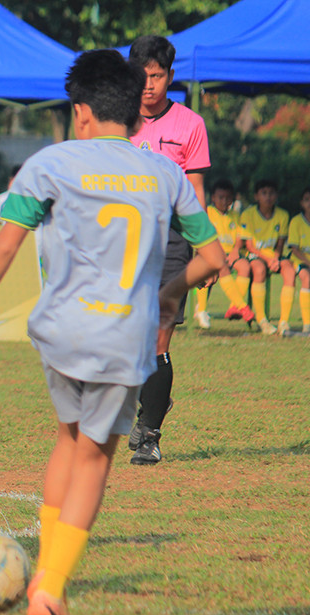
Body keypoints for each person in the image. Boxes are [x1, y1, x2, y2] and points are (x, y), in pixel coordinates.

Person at [0, 49, 226, 615]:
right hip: (121, 334)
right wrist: (170, 293)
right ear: (136, 114)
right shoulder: (165, 174)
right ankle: (49, 588)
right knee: (96, 458)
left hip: (59, 329)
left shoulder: (50, 163)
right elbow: (214, 257)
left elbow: (5, 244)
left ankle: (43, 582)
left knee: (67, 440)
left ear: (79, 112)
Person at [126, 34, 211, 465]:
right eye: (141, 77)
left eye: (156, 76)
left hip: (174, 241)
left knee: (159, 335)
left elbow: (195, 190)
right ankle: (155, 400)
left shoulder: (190, 125)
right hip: (124, 241)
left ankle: (150, 435)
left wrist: (205, 247)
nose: (148, 85)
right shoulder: (116, 123)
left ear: (170, 77)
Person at [194, 179, 255, 327]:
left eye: (228, 198)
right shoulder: (208, 212)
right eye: (220, 197)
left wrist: (235, 250)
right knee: (218, 268)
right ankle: (240, 307)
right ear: (213, 198)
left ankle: (234, 306)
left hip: (229, 255)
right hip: (212, 255)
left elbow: (241, 236)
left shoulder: (235, 216)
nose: (224, 201)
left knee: (245, 267)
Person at [239, 179, 292, 334]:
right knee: (259, 269)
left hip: (274, 256)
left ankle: (284, 322)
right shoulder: (248, 214)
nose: (268, 197)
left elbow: (280, 244)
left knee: (289, 270)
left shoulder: (283, 215)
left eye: (271, 193)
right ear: (256, 196)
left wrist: (275, 258)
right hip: (255, 255)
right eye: (264, 193)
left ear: (276, 196)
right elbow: (249, 246)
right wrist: (269, 260)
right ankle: (262, 320)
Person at [285, 187, 310, 334]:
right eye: (307, 200)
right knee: (307, 278)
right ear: (301, 203)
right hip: (300, 261)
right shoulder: (296, 221)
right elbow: (295, 249)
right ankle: (307, 324)